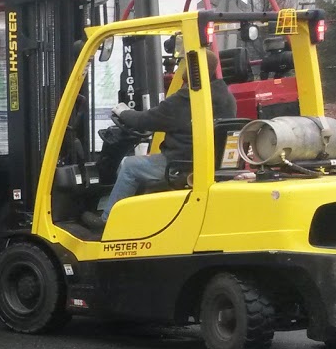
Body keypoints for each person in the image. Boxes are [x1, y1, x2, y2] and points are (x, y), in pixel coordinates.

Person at [83, 47, 237, 233]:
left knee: (130, 166)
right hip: (209, 164)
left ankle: (108, 222)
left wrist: (122, 111)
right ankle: (136, 217)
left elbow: (143, 121)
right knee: (144, 162)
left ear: (193, 69)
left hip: (181, 164)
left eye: (186, 66)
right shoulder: (226, 98)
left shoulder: (186, 99)